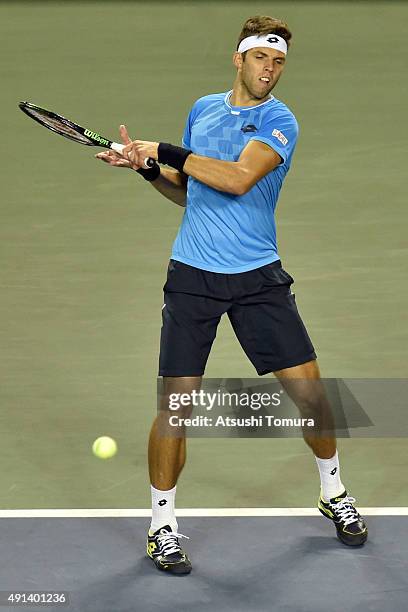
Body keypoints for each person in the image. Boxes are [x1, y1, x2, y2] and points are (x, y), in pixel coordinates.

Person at [96, 15, 367, 576]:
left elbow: (239, 179)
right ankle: (162, 527)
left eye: (280, 62)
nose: (271, 70)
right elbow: (194, 193)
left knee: (312, 396)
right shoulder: (204, 108)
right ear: (238, 59)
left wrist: (164, 148)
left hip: (258, 280)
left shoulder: (279, 120)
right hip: (192, 277)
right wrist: (148, 170)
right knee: (177, 407)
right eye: (262, 58)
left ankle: (333, 489)